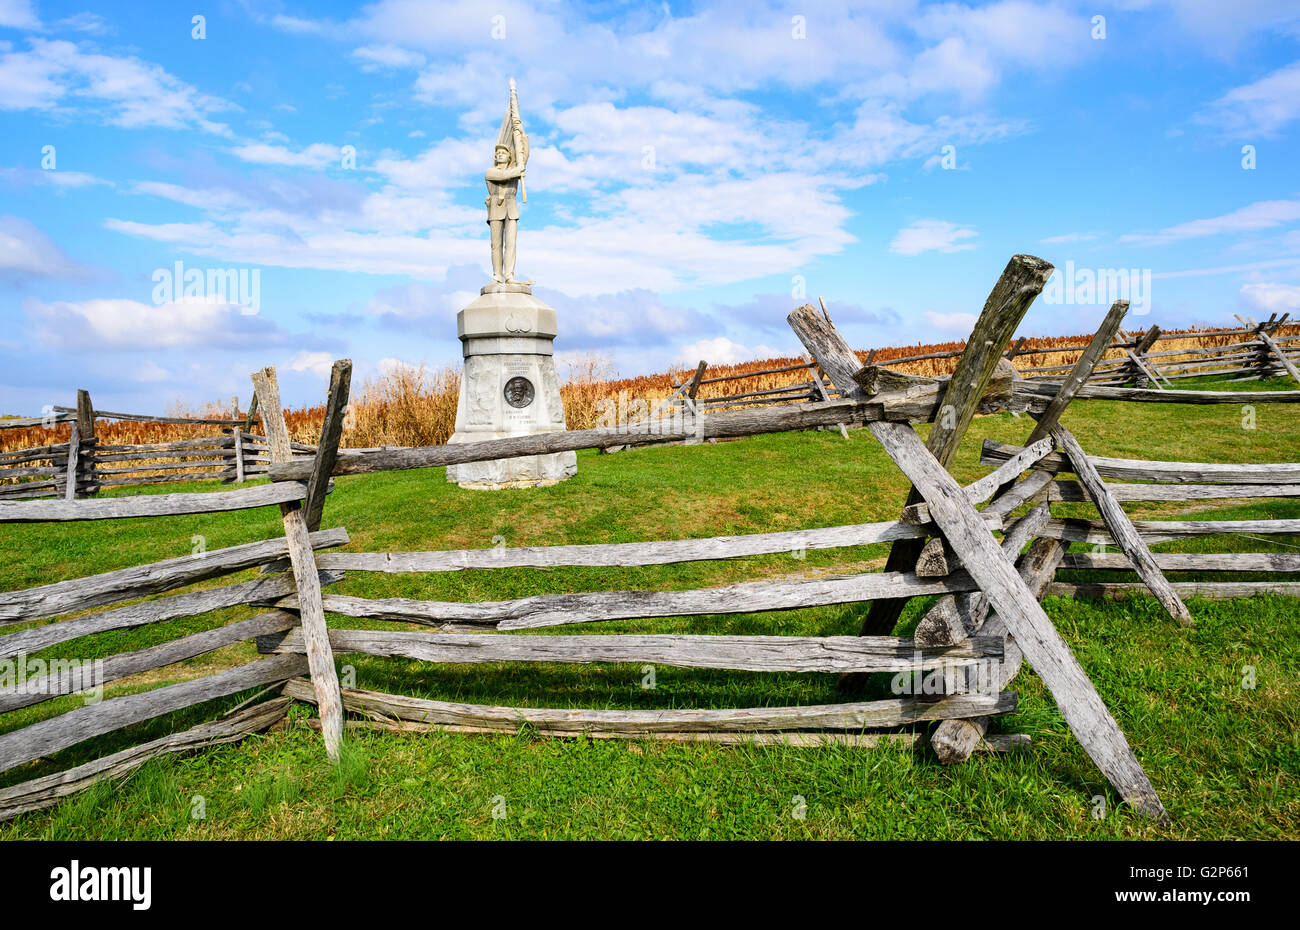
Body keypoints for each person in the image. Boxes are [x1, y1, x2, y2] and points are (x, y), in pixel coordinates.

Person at [486, 142, 524, 283]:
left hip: (511, 207)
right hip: (496, 207)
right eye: (498, 153)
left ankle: (509, 275)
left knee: (511, 243)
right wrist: (519, 170)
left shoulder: (516, 168)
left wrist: (519, 130)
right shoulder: (491, 172)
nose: (500, 155)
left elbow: (523, 154)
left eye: (503, 153)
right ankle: (497, 275)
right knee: (496, 245)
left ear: (509, 157)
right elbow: (503, 176)